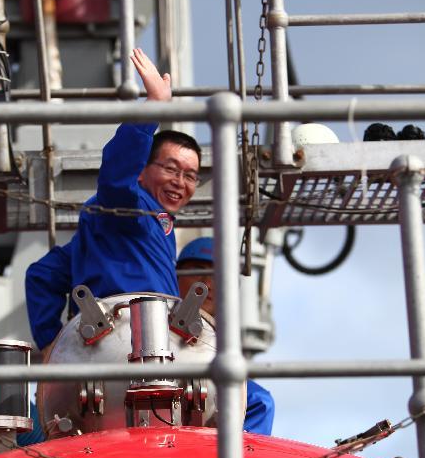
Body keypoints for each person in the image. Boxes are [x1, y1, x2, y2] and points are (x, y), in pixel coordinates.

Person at [26, 48, 202, 351]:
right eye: (171, 169)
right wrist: (153, 108)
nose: (180, 182)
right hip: (136, 344)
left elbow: (43, 274)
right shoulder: (132, 210)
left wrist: (51, 345)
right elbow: (116, 174)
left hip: (117, 348)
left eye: (190, 176)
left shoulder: (102, 239)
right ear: (141, 171)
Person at [176, 236, 275, 436]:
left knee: (259, 401)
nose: (207, 284)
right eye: (197, 271)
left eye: (217, 277)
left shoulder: (222, 336)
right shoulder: (150, 313)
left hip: (206, 387)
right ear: (175, 275)